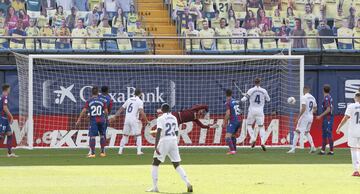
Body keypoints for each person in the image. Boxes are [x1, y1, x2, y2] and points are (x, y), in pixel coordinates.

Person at [147, 103, 193, 193]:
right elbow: (176, 132)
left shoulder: (160, 118)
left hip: (164, 141)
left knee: (155, 163)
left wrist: (156, 146)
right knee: (177, 165)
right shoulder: (174, 118)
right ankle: (188, 183)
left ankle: (155, 187)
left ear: (162, 110)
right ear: (169, 110)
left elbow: (159, 132)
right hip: (173, 140)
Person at [110, 88, 150, 155]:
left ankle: (120, 151)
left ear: (134, 93)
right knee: (138, 135)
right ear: (140, 94)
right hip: (134, 120)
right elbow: (142, 112)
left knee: (125, 135)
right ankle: (139, 151)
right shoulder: (139, 101)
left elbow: (121, 109)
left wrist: (115, 116)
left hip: (127, 119)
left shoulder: (129, 99)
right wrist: (147, 120)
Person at [76, 86, 108, 158]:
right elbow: (106, 111)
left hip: (93, 121)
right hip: (102, 120)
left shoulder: (89, 101)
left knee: (92, 137)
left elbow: (84, 111)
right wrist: (106, 119)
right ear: (98, 93)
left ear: (91, 93)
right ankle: (103, 152)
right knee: (102, 135)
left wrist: (79, 119)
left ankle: (93, 153)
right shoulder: (103, 101)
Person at [241, 78, 270, 150]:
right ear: (260, 83)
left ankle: (253, 138)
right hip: (260, 111)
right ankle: (263, 142)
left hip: (252, 111)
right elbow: (268, 99)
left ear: (254, 82)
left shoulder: (251, 90)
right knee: (261, 127)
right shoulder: (264, 90)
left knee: (249, 125)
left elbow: (243, 100)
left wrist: (245, 95)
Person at [336, 92, 360, 177]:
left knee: (354, 149)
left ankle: (356, 170)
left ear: (356, 98)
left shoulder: (351, 106)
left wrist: (339, 127)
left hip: (353, 131)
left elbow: (345, 118)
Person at [287, 86, 317, 154]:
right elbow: (315, 109)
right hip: (311, 117)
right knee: (307, 132)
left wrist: (298, 118)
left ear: (304, 90)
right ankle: (313, 147)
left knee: (297, 131)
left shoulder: (304, 97)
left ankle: (293, 149)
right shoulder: (313, 97)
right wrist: (310, 112)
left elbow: (303, 108)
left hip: (305, 117)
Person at [0, 84, 18, 157]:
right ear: (7, 89)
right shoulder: (5, 97)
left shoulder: (1, 97)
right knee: (1, 136)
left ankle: (9, 153)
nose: (9, 90)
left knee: (10, 134)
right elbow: (5, 108)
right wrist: (11, 116)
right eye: (9, 89)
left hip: (4, 118)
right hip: (2, 118)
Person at [316, 84, 334, 155]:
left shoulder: (326, 98)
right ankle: (323, 150)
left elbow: (328, 109)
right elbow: (332, 108)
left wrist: (320, 116)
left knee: (328, 133)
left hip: (328, 118)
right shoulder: (329, 97)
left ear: (323, 90)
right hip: (326, 118)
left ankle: (331, 151)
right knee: (324, 134)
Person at [223, 89, 241, 155]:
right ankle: (235, 150)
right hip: (239, 120)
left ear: (226, 94)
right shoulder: (236, 101)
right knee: (233, 135)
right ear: (231, 94)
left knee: (227, 137)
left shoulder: (228, 102)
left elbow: (228, 113)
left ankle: (232, 151)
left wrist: (224, 122)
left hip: (233, 121)